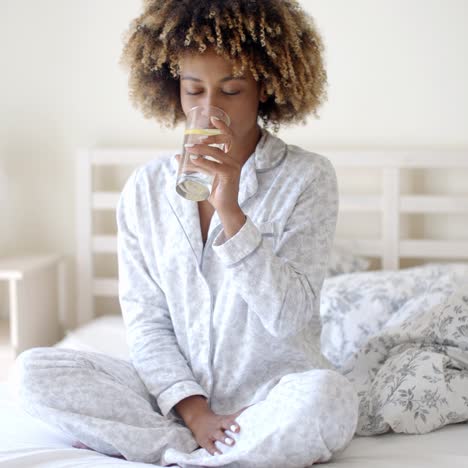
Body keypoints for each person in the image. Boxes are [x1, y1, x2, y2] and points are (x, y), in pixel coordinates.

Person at [13, 1, 358, 466]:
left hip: (269, 399)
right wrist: (194, 413)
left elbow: (289, 318)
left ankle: (186, 450)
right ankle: (195, 449)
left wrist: (231, 212)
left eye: (231, 90)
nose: (210, 109)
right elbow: (147, 321)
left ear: (265, 88)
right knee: (32, 372)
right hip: (173, 402)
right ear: (171, 87)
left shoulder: (307, 177)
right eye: (193, 90)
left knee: (330, 398)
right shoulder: (143, 191)